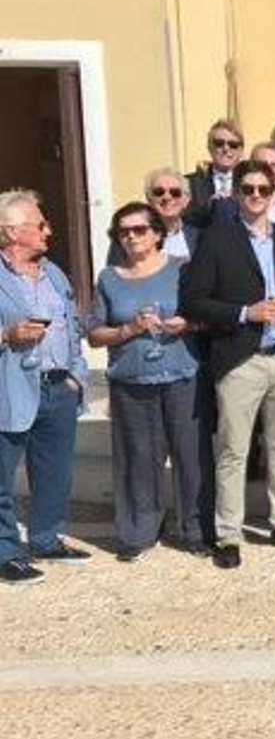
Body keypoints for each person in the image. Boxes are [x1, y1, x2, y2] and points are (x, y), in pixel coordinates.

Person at [180, 159, 275, 569]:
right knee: (233, 452)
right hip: (240, 359)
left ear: (274, 192)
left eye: (263, 189)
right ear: (236, 193)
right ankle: (228, 535)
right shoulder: (216, 239)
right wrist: (245, 312)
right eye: (248, 189)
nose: (256, 196)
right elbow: (193, 300)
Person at [88, 202, 203, 562]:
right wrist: (128, 329)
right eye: (123, 231)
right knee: (137, 457)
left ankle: (194, 528)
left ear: (157, 233)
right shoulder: (108, 278)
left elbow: (203, 318)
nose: (131, 237)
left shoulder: (183, 269)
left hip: (182, 374)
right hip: (131, 380)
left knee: (190, 455)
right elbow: (94, 334)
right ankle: (139, 530)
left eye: (139, 230)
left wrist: (186, 324)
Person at [0, 190, 90, 585]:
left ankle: (45, 538)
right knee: (2, 477)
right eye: (40, 224)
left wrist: (77, 376)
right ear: (13, 232)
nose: (49, 231)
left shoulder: (55, 273)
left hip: (58, 386)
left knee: (55, 471)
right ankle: (5, 551)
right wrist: (7, 334)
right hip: (11, 388)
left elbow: (72, 326)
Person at [183, 119, 247, 226]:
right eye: (219, 143)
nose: (226, 148)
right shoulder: (190, 183)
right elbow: (182, 218)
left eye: (233, 144)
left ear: (240, 150)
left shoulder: (250, 182)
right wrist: (209, 207)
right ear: (209, 147)